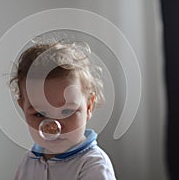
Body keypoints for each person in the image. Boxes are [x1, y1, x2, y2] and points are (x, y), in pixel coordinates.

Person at [10, 41, 116, 180]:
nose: (53, 127)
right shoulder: (29, 162)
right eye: (39, 114)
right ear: (23, 109)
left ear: (89, 107)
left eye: (67, 112)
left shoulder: (93, 164)